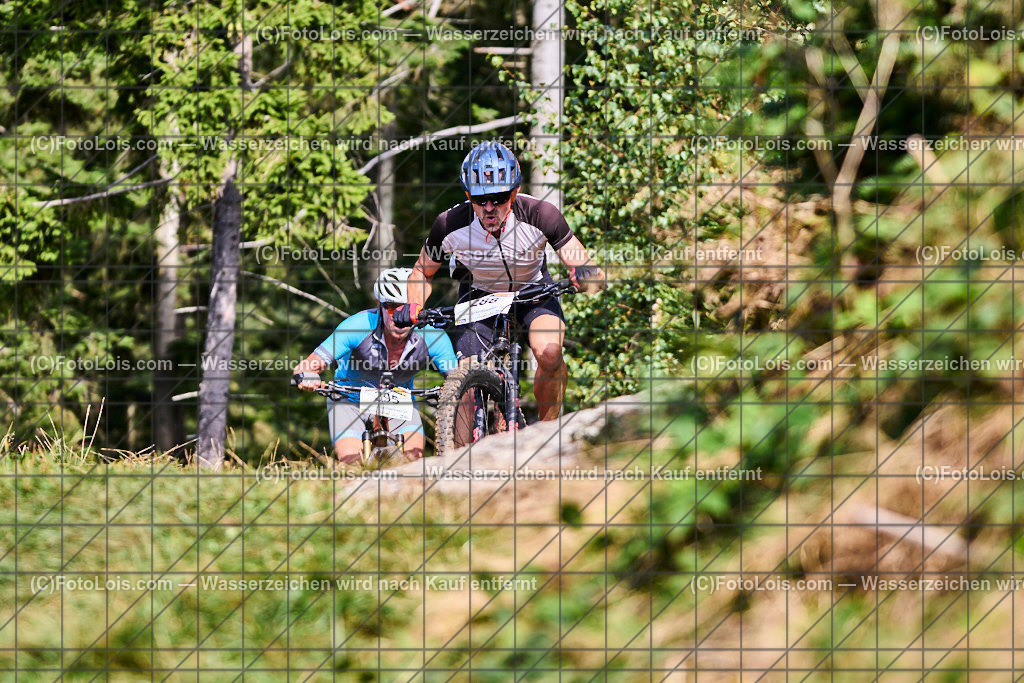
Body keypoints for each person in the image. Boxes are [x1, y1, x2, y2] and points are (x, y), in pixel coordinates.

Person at [394, 140, 604, 422]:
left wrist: (586, 274)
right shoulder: (449, 224)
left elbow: (584, 264)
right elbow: (422, 272)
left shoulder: (542, 214)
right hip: (480, 296)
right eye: (480, 200)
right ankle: (462, 456)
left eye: (500, 197)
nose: (489, 208)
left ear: (515, 192)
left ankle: (549, 432)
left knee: (550, 352)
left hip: (534, 291)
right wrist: (413, 305)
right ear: (468, 195)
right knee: (464, 376)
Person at [292, 268, 457, 464]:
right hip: (349, 399)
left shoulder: (433, 336)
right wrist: (307, 375)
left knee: (414, 463)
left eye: (407, 308)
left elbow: (459, 378)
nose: (400, 316)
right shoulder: (357, 326)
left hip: (400, 400)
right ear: (378, 304)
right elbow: (309, 364)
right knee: (351, 464)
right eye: (392, 307)